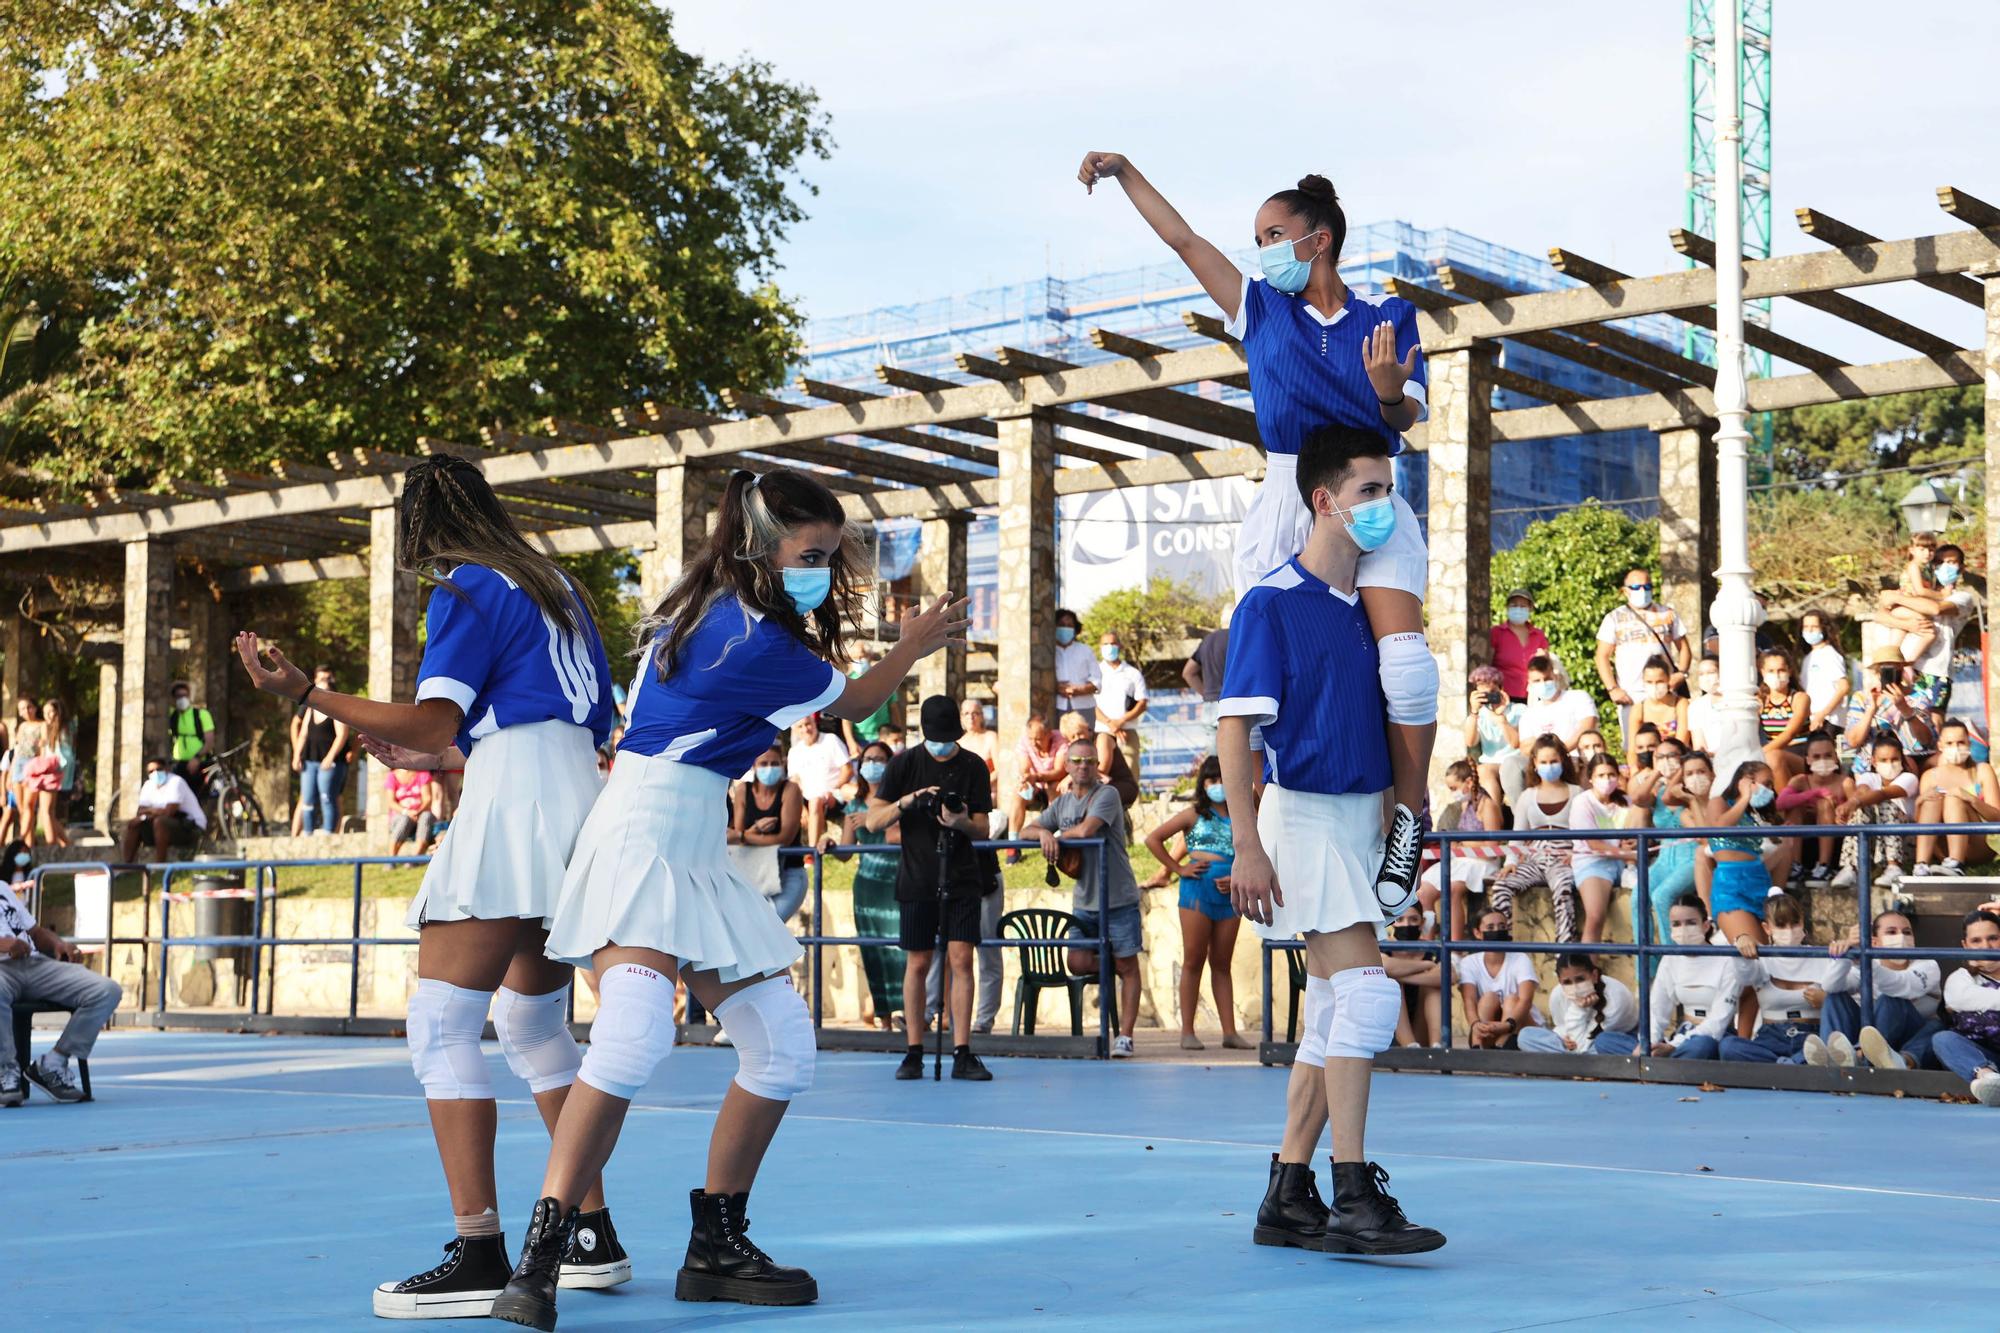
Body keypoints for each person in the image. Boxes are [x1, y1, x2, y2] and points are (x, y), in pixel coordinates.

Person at [491, 467, 965, 1325]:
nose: (823, 567)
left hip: (691, 839)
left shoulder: (716, 607)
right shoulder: (750, 638)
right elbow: (861, 702)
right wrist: (912, 644)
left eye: (828, 554)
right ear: (760, 545)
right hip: (641, 833)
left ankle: (716, 1242)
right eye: (812, 552)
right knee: (631, 1034)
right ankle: (542, 1256)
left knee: (782, 1042)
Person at [235, 455, 631, 1318]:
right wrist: (448, 755)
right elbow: (551, 720)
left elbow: (433, 718)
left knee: (441, 1022)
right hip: (575, 800)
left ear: (421, 526)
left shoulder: (465, 586)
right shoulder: (559, 585)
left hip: (513, 808)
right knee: (533, 1023)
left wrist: (307, 690)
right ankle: (590, 1232)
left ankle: (480, 1248)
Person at [1081, 153, 1440, 922]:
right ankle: (1270, 827)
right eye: (1256, 236)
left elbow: (1406, 414)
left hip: (1370, 487)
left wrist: (1386, 397)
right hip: (1289, 495)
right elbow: (1183, 241)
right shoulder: (1261, 308)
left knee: (1404, 667)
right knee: (1274, 678)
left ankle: (1407, 819)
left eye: (1274, 233)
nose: (1262, 249)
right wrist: (1127, 171)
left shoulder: (1390, 316)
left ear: (1319, 239)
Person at [1213, 422, 1444, 1256]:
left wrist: (1398, 807)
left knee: (1330, 1012)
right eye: (1369, 493)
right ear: (1324, 500)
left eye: (1391, 491)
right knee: (1373, 995)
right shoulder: (1270, 602)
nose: (1385, 506)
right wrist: (1247, 843)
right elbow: (1236, 731)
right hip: (1301, 816)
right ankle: (1353, 1194)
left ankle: (1287, 1191)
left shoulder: (1372, 614)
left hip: (1361, 814)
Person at [869, 694, 997, 1082]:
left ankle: (962, 1050)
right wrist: (907, 802)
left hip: (961, 876)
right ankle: (913, 1050)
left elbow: (983, 826)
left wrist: (960, 823)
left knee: (961, 960)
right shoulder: (904, 763)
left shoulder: (973, 765)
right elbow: (874, 820)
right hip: (917, 875)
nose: (945, 745)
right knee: (918, 962)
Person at [1038, 735, 1146, 1058]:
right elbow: (1028, 830)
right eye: (1077, 761)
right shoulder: (1061, 803)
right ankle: (1112, 959)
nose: (1083, 767)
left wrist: (1055, 835)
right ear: (1067, 765)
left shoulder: (1108, 794)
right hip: (1084, 903)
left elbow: (1087, 830)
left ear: (1098, 766)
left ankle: (1124, 1036)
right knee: (1076, 960)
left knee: (1128, 966)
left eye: (1089, 761)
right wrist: (1043, 832)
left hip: (1118, 898)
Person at [1144, 754, 1251, 1051]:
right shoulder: (1193, 814)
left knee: (1222, 962)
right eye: (1212, 779)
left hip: (1231, 893)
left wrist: (1237, 875)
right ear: (1203, 784)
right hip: (1196, 892)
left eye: (1223, 778)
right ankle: (1187, 1031)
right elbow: (1153, 839)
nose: (1218, 785)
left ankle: (1229, 1032)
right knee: (1194, 960)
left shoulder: (1244, 814)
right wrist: (1178, 869)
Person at [0, 874, 123, 1106]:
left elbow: (35, 932)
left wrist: (58, 944)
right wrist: (3, 944)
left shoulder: (3, 888)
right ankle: (5, 1071)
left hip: (34, 964)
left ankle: (53, 1064)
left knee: (107, 990)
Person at [1598, 893, 1738, 1059]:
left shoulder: (1726, 960)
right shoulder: (1670, 959)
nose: (1683, 929)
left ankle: (1658, 1065)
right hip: (1681, 1035)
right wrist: (1648, 1044)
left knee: (1701, 1046)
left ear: (1706, 925)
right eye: (1676, 924)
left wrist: (1672, 1046)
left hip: (1712, 1038)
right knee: (1604, 1040)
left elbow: (1718, 1022)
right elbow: (1657, 1010)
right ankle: (1659, 1062)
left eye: (1691, 923)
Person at [826, 740, 904, 1031]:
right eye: (867, 759)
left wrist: (874, 819)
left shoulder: (899, 801)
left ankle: (909, 1015)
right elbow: (847, 852)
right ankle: (884, 1018)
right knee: (874, 952)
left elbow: (898, 838)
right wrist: (829, 842)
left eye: (879, 759)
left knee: (902, 950)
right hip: (867, 887)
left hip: (898, 881)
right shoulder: (854, 805)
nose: (872, 764)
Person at [1805, 911, 1943, 1072]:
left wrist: (1865, 964)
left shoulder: (1927, 965)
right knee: (1834, 998)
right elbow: (1831, 986)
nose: (1901, 937)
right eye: (1891, 932)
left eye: (1907, 932)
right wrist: (1845, 954)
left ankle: (1859, 1056)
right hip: (1869, 1035)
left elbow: (1901, 986)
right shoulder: (1871, 963)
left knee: (1892, 1000)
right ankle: (1833, 1058)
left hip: (1908, 1039)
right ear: (1875, 942)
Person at [1486, 736, 1582, 942]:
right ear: (1535, 764)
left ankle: (1565, 952)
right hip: (1534, 856)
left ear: (1563, 761)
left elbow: (1585, 832)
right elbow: (1518, 833)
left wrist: (1577, 853)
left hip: (1565, 855)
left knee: (1564, 887)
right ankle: (1504, 945)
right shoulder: (1527, 796)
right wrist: (1511, 862)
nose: (1549, 766)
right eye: (1544, 762)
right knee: (1501, 886)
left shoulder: (1577, 793)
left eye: (1554, 761)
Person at [1718, 893, 1829, 1064]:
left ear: (1802, 923)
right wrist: (1740, 942)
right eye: (1781, 925)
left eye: (1794, 923)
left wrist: (1827, 1001)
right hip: (1770, 1038)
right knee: (1729, 1046)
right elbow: (1744, 976)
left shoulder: (1821, 956)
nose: (1789, 931)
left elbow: (1850, 989)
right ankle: (1791, 1065)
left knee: (1829, 1048)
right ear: (1767, 928)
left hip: (1811, 1037)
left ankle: (1782, 1066)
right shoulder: (1762, 957)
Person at [1595, 567, 1690, 747]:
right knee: (1635, 744)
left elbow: (1684, 648)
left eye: (1647, 587)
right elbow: (1602, 656)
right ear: (1625, 591)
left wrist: (1681, 673)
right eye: (1637, 587)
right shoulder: (1614, 618)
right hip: (1632, 692)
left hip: (1664, 687)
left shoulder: (1667, 614)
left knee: (1671, 741)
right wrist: (1612, 688)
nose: (1642, 592)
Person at [1417, 760, 1503, 940]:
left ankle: (1454, 947)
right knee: (1423, 890)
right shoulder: (1465, 806)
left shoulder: (1488, 806)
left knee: (1453, 889)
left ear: (1469, 783)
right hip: (1461, 860)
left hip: (1482, 862)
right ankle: (1427, 942)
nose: (1453, 793)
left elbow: (1492, 847)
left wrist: (1463, 844)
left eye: (1454, 788)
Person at [1705, 760, 1779, 957]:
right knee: (1753, 954)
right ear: (1747, 781)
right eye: (1766, 783)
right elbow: (1721, 827)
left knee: (1768, 961)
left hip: (1759, 879)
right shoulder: (1718, 802)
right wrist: (1745, 796)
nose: (1769, 789)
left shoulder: (1753, 813)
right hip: (1732, 885)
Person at [729, 744, 808, 927]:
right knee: (745, 930)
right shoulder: (743, 790)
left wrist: (742, 836)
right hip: (752, 873)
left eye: (774, 763)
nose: (769, 768)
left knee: (766, 928)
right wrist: (753, 831)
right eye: (764, 763)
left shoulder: (791, 790)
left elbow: (784, 839)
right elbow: (738, 836)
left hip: (788, 872)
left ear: (783, 764)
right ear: (754, 766)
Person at [1637, 746, 1710, 940]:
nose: (1666, 760)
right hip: (1664, 859)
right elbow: (1637, 798)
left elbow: (1671, 796)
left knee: (1662, 897)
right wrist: (1656, 772)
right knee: (1637, 898)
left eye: (1671, 756)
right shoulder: (1658, 791)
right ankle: (1646, 967)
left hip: (1689, 857)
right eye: (1660, 756)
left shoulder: (1688, 790)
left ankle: (1673, 955)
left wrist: (1685, 769)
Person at [1930, 908, 2000, 1105]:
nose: (1986, 946)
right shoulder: (1961, 977)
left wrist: (1981, 1001)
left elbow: (1970, 999)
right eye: (1976, 941)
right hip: (1985, 1055)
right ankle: (1990, 1080)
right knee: (1943, 1039)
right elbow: (1959, 998)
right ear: (1965, 945)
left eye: (1993, 938)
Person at [1833, 735, 1918, 894]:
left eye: (1894, 759)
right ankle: (1851, 868)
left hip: (1906, 841)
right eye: (1884, 760)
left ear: (1902, 759)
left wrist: (1852, 803)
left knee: (1884, 803)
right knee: (1861, 807)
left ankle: (1894, 866)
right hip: (1875, 840)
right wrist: (1850, 806)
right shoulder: (1869, 776)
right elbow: (1862, 791)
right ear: (1873, 761)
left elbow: (1884, 794)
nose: (1890, 764)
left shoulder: (1909, 778)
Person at [1914, 718, 1999, 875]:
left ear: (1969, 744)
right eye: (1950, 743)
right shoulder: (1929, 776)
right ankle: (1921, 865)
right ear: (1940, 746)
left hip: (1979, 845)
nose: (1956, 748)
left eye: (1961, 742)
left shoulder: (1982, 770)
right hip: (1941, 847)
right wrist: (1920, 801)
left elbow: (1997, 817)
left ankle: (1955, 864)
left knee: (1954, 799)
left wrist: (1970, 799)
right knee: (1932, 801)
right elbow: (1919, 819)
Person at [1567, 756, 1633, 944]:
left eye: (1611, 774)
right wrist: (1627, 854)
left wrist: (1630, 849)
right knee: (1595, 916)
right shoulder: (1582, 802)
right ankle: (1589, 966)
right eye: (1601, 775)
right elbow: (1593, 844)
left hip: (1624, 863)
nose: (1607, 779)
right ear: (1591, 778)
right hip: (1593, 863)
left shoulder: (1626, 802)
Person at [1517, 953, 1639, 1055]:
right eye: (1567, 982)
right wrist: (1564, 1037)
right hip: (1577, 1045)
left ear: (1594, 976)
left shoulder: (1616, 997)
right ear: (1560, 981)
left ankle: (1565, 1066)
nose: (1575, 987)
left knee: (1602, 1042)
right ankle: (1579, 1067)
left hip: (1613, 1040)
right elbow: (1562, 1026)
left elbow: (1582, 1046)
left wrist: (1579, 1009)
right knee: (1525, 1036)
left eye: (1580, 979)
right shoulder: (1558, 995)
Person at [1458, 907, 1542, 1049]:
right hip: (1488, 1029)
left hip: (1521, 1028)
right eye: (1490, 927)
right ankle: (1478, 1045)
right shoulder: (1469, 962)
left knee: (1511, 1000)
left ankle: (1502, 1046)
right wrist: (1475, 1024)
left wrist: (1507, 1025)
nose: (1497, 930)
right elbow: (1469, 1000)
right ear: (1477, 933)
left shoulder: (1520, 958)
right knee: (1489, 999)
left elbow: (1526, 1000)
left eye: (1502, 926)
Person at [292, 665, 351, 836]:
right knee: (307, 800)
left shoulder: (337, 708)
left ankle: (328, 833)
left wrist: (330, 757)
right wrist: (297, 754)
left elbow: (342, 735)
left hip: (330, 762)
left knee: (327, 798)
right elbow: (302, 733)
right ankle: (308, 833)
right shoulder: (310, 708)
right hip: (310, 760)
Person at [1874, 530, 1943, 675]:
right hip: (1905, 607)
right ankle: (1908, 663)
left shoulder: (1928, 569)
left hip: (1908, 609)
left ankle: (1892, 662)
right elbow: (1920, 591)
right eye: (1922, 549)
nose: (1927, 553)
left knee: (1898, 635)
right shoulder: (1914, 566)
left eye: (1931, 549)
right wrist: (1942, 595)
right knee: (1930, 632)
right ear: (1912, 550)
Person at [117, 756, 208, 863]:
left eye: (158, 769)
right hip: (166, 826)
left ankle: (160, 866)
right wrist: (151, 813)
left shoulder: (176, 782)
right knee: (134, 824)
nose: (155, 773)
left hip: (191, 827)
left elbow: (169, 812)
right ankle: (127, 867)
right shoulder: (148, 785)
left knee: (160, 822)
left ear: (166, 769)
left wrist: (149, 812)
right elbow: (140, 812)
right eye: (151, 771)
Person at [784, 711, 851, 851]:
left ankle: (812, 851)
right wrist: (801, 808)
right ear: (795, 731)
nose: (806, 729)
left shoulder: (831, 740)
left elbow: (847, 770)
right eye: (800, 726)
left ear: (815, 723)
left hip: (833, 796)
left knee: (815, 802)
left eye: (808, 724)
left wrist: (834, 791)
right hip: (806, 798)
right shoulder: (794, 752)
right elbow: (794, 782)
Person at [1463, 664, 1522, 809]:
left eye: (1492, 693)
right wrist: (1474, 712)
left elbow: (1516, 743)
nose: (1489, 697)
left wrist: (1501, 717)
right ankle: (1494, 820)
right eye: (1483, 693)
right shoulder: (1479, 716)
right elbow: (1470, 742)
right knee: (1482, 770)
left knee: (1509, 767)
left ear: (1501, 689)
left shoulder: (1519, 710)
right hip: (1490, 765)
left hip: (1515, 761)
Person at [1382, 905, 1442, 1047]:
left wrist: (1401, 975)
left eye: (1413, 920)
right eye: (1400, 919)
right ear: (1392, 921)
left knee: (1433, 987)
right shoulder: (1383, 945)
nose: (1406, 925)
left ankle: (1438, 1046)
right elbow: (1384, 965)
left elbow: (1448, 976)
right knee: (1393, 983)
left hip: (1421, 1031)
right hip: (1388, 1034)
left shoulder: (1433, 948)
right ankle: (1409, 1046)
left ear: (1422, 922)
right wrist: (1426, 965)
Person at [1003, 713, 1066, 847]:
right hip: (1035, 786)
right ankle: (1013, 844)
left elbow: (1059, 771)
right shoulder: (1025, 741)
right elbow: (1024, 766)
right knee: (1017, 794)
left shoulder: (1060, 739)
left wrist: (1037, 777)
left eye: (1038, 739)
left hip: (1055, 785)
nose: (1033, 743)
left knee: (1053, 786)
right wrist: (1025, 778)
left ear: (1049, 734)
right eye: (1031, 738)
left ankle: (1057, 836)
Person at [1093, 630, 1148, 780]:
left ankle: (1133, 803)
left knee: (1130, 771)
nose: (1109, 647)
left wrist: (1121, 722)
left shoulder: (1132, 673)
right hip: (1102, 731)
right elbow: (1091, 703)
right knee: (1101, 772)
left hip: (1127, 731)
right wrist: (1110, 724)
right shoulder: (1095, 672)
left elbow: (1142, 702)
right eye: (1106, 644)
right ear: (1100, 646)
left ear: (1120, 646)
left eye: (1113, 643)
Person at [1058, 709, 1139, 811]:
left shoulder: (1102, 739)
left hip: (1120, 785)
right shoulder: (1077, 749)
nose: (1078, 738)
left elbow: (1102, 770)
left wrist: (1070, 777)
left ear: (1086, 728)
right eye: (1073, 737)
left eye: (1080, 733)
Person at [1517, 655, 1597, 756]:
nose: (1543, 684)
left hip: (1578, 759)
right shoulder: (1529, 714)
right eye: (1537, 681)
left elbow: (1587, 727)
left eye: (1547, 679)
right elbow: (1526, 746)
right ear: (1530, 683)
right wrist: (1549, 757)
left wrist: (1560, 753)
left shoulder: (1578, 697)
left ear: (1555, 676)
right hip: (1545, 764)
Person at [22, 697, 71, 850]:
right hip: (48, 773)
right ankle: (65, 844)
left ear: (58, 712)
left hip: (52, 774)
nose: (48, 716)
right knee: (47, 812)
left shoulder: (63, 732)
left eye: (51, 712)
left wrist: (53, 767)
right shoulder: (51, 731)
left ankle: (52, 847)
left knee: (46, 812)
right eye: (45, 713)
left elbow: (65, 757)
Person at [1756, 649, 1811, 783]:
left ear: (1789, 671)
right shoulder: (1760, 701)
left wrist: (1759, 754)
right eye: (1771, 671)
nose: (1776, 675)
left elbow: (1789, 734)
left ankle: (1785, 803)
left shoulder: (1799, 698)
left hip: (1801, 754)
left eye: (1781, 670)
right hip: (1771, 752)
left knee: (1773, 757)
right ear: (1762, 672)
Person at [1489, 589, 1549, 704]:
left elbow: (1545, 665)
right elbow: (1487, 665)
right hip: (1503, 696)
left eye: (1523, 606)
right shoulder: (1497, 633)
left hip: (1534, 695)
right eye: (1514, 605)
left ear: (1530, 608)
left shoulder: (1538, 635)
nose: (1518, 609)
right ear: (1507, 607)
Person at [1798, 609, 1850, 740]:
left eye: (1814, 627)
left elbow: (1843, 687)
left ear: (1823, 628)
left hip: (1829, 719)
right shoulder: (1808, 658)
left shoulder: (1830, 654)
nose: (1809, 631)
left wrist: (1823, 714)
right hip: (1813, 718)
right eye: (1806, 627)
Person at [837, 644, 892, 755]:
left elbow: (894, 708)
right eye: (856, 658)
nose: (860, 661)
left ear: (870, 656)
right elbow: (846, 719)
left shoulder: (883, 678)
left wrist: (896, 734)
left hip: (884, 736)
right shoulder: (847, 683)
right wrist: (851, 742)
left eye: (863, 656)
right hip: (860, 740)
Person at [5, 697, 44, 849]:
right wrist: (10, 773)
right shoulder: (21, 727)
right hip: (18, 765)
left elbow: (42, 750)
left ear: (35, 707)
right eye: (22, 709)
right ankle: (29, 843)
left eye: (29, 707)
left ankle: (22, 841)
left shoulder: (42, 725)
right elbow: (17, 750)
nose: (26, 711)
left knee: (29, 806)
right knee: (22, 810)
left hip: (32, 765)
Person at [1051, 608, 1099, 724]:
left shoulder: (1085, 650)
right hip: (1056, 707)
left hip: (1084, 707)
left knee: (1083, 741)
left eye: (1069, 625)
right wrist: (1056, 687)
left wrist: (1078, 690)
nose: (1065, 628)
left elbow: (1097, 680)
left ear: (1075, 629)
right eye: (1061, 625)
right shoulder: (1049, 651)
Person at [166, 679, 216, 785]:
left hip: (200, 763)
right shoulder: (172, 716)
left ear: (189, 696)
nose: (181, 698)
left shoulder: (201, 714)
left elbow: (210, 741)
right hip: (179, 764)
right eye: (178, 696)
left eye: (184, 695)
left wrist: (196, 758)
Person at [386, 766, 438, 857]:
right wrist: (407, 812)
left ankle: (416, 858)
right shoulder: (392, 776)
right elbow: (391, 802)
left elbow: (427, 799)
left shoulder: (422, 773)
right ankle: (391, 860)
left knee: (426, 816)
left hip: (420, 814)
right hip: (400, 816)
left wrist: (417, 812)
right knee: (405, 819)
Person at [1183, 626, 1229, 728]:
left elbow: (1188, 673)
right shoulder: (1239, 638)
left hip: (1209, 706)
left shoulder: (1208, 640)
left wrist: (1207, 694)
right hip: (1231, 707)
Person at [1686, 655, 1724, 755]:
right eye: (1701, 674)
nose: (1706, 678)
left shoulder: (1737, 701)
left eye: (1711, 673)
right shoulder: (1695, 707)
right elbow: (1699, 746)